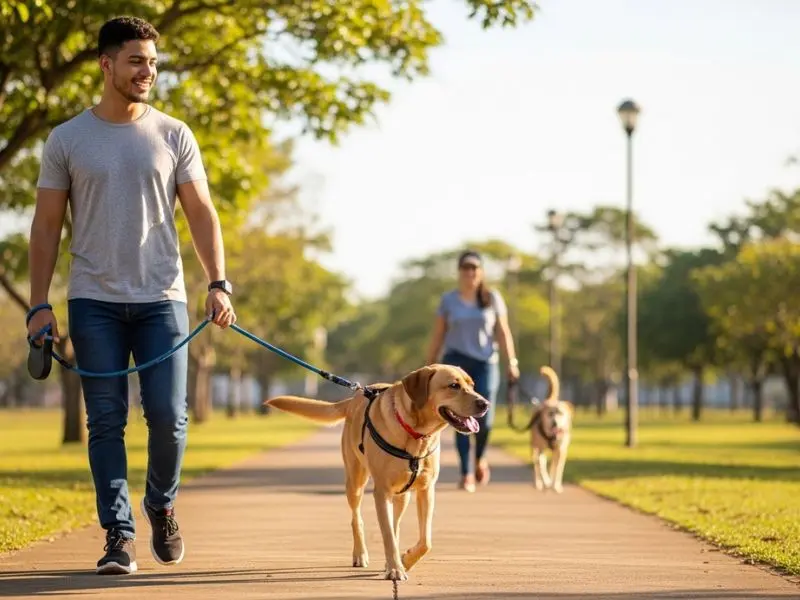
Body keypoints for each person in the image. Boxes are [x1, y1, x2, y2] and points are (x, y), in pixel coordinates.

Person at [26, 16, 236, 575]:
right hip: (93, 299)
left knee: (169, 417)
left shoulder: (174, 134)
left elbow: (200, 212)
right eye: (137, 61)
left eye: (152, 62)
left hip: (161, 297)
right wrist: (39, 303)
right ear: (106, 64)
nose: (148, 71)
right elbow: (45, 227)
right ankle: (118, 535)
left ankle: (161, 505)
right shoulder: (67, 139)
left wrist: (218, 281)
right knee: (106, 421)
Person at [425, 250, 519, 492]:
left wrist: (512, 362)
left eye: (475, 268)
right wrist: (428, 366)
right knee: (458, 415)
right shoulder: (449, 300)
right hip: (456, 360)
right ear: (459, 272)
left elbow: (502, 331)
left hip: (486, 362)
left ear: (481, 272)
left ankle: (480, 458)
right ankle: (466, 472)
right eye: (466, 268)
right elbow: (438, 334)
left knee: (485, 418)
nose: (470, 273)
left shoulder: (492, 298)